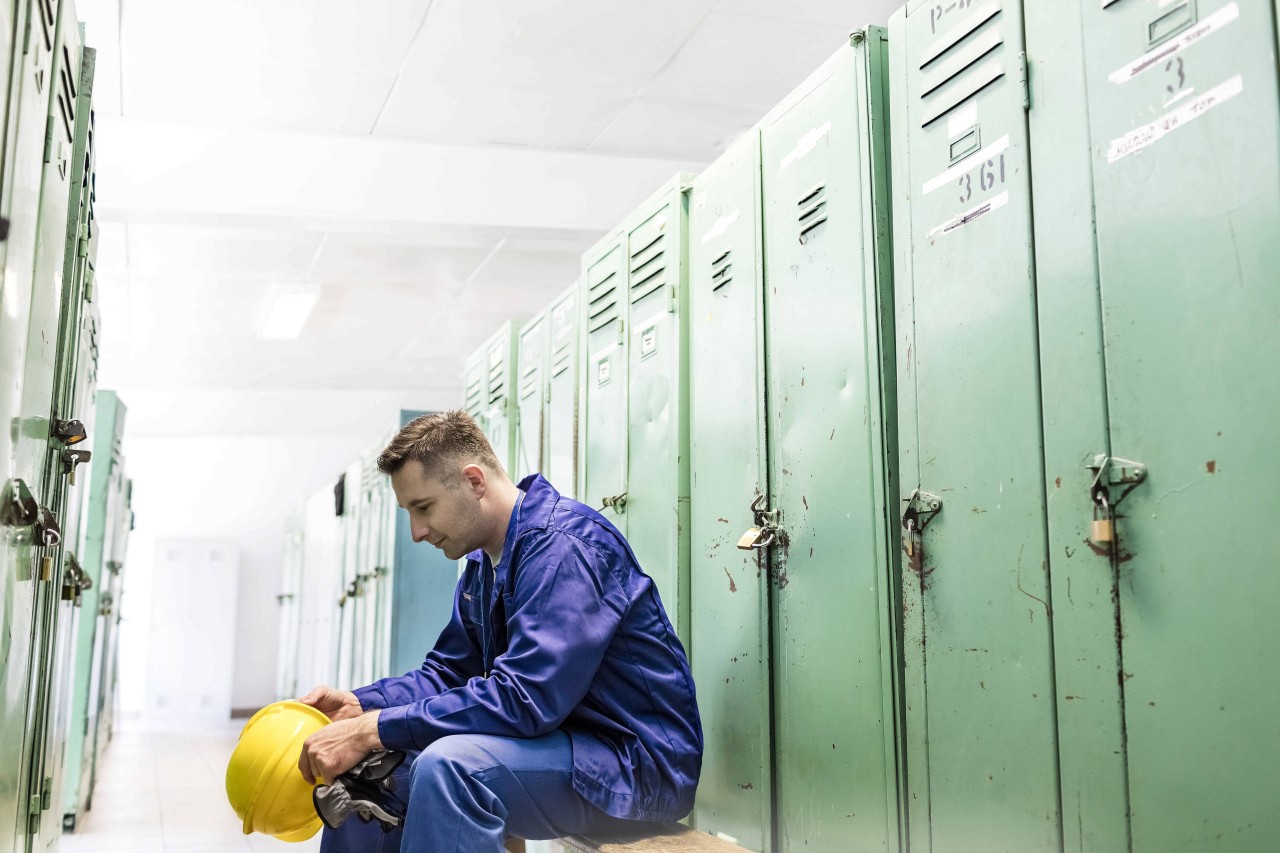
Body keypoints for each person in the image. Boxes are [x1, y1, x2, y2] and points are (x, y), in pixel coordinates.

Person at [296, 410, 702, 852]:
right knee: (372, 775)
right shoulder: (482, 565)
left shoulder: (562, 547)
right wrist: (363, 705)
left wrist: (375, 728)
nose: (416, 532)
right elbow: (447, 673)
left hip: (632, 764)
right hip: (562, 750)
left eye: (423, 507)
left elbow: (525, 700)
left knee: (450, 769)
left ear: (474, 481)